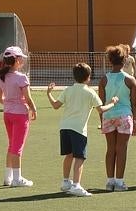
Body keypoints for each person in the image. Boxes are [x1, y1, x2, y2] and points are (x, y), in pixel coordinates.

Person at [46, 63, 119, 197]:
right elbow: (101, 109)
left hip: (64, 127)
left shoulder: (68, 90)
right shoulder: (90, 92)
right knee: (79, 157)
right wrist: (113, 103)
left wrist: (49, 94)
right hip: (79, 129)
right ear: (88, 77)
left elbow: (56, 105)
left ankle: (65, 182)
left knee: (69, 155)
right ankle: (76, 185)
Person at [0, 46, 37, 187]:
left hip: (7, 114)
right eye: (20, 59)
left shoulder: (2, 76)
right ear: (16, 60)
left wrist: (9, 103)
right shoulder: (21, 78)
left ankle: (8, 177)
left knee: (12, 145)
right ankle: (17, 178)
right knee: (17, 147)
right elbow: (28, 98)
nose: (22, 61)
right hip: (19, 115)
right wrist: (33, 109)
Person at [98, 45, 136, 192]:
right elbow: (134, 103)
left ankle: (110, 182)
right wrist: (135, 121)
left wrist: (101, 119)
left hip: (108, 115)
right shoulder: (130, 80)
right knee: (122, 149)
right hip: (124, 116)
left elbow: (101, 103)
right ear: (124, 60)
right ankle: (120, 183)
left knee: (110, 149)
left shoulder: (103, 80)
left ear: (110, 60)